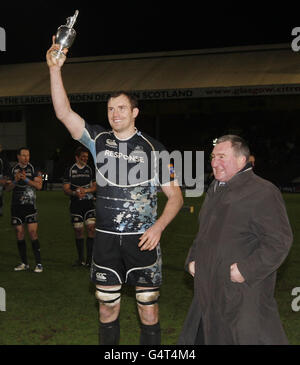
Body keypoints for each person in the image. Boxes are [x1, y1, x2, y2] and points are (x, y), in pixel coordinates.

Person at [46, 38, 183, 345]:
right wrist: (55, 69)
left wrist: (159, 227)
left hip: (143, 240)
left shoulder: (153, 149)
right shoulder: (98, 139)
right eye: (110, 108)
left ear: (135, 112)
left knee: (148, 310)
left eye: (122, 108)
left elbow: (176, 196)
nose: (115, 113)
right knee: (107, 309)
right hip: (106, 240)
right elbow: (63, 113)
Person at [178, 135, 293, 345]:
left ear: (242, 160)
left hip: (241, 295)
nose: (214, 162)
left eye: (222, 156)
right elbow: (205, 232)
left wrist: (245, 270)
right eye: (213, 157)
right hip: (209, 292)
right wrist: (193, 259)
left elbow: (279, 241)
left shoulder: (263, 191)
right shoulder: (216, 188)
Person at [6, 147, 44, 273]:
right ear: (18, 156)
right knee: (19, 233)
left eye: (28, 155)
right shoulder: (12, 169)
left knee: (33, 233)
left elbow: (39, 186)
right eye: (23, 155)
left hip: (30, 205)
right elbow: (7, 189)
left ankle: (39, 264)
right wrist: (16, 181)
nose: (26, 157)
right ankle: (24, 263)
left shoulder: (34, 169)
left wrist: (26, 179)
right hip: (16, 206)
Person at [63, 146, 96, 267]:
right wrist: (74, 193)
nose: (85, 159)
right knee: (79, 230)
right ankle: (80, 259)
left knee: (91, 229)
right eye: (83, 156)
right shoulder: (70, 170)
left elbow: (95, 187)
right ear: (77, 157)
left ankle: (89, 260)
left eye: (87, 157)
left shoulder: (90, 169)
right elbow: (66, 189)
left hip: (88, 204)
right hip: (75, 204)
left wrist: (85, 191)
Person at [0, 143, 11, 217]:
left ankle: (0, 211)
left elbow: (7, 168)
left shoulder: (2, 158)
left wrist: (5, 178)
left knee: (0, 195)